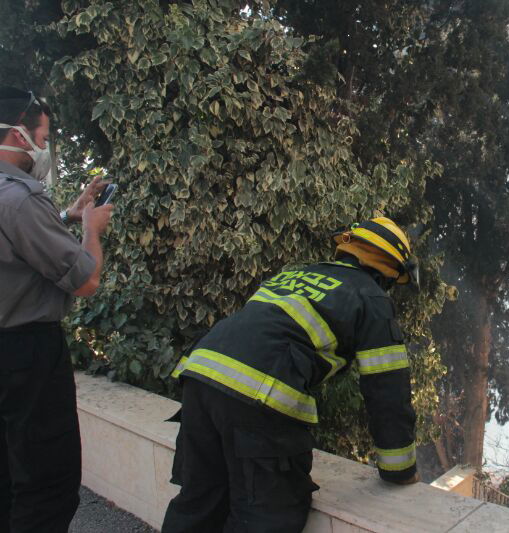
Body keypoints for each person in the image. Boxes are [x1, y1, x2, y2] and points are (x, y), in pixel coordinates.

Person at [163, 217, 421, 533]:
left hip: (199, 374)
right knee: (265, 514)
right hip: (258, 396)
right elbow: (387, 391)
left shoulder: (293, 275)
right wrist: (399, 470)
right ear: (389, 271)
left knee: (199, 500)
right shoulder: (372, 298)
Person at [0, 87, 113, 532]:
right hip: (26, 355)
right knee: (47, 481)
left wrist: (66, 216)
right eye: (43, 138)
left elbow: (16, 245)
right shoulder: (22, 199)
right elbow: (86, 279)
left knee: (8, 473)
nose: (45, 148)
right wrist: (91, 229)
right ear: (17, 135)